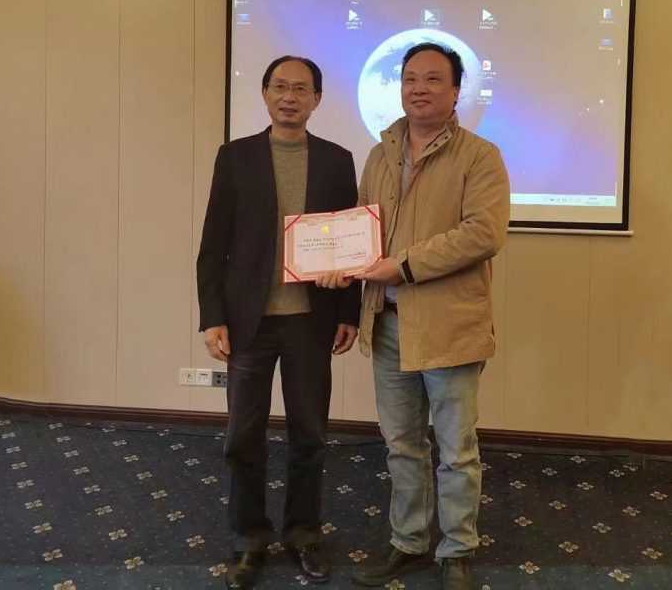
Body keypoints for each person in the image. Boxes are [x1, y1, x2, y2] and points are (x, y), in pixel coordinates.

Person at [319, 43, 510, 590]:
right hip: (387, 323)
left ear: (456, 91)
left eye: (432, 79)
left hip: (450, 326)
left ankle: (458, 550)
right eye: (410, 79)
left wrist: (402, 265)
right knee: (402, 445)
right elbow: (362, 228)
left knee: (456, 451)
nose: (419, 88)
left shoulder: (480, 156)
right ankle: (408, 543)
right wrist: (339, 265)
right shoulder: (380, 153)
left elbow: (483, 234)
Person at [197, 55, 360, 588]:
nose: (290, 97)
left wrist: (349, 312)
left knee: (309, 436)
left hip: (310, 321)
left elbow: (350, 244)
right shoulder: (235, 157)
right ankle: (249, 539)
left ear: (317, 100)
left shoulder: (337, 161)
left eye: (301, 89)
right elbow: (213, 245)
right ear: (265, 93)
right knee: (242, 437)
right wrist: (213, 317)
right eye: (280, 87)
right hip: (249, 323)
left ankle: (303, 534)